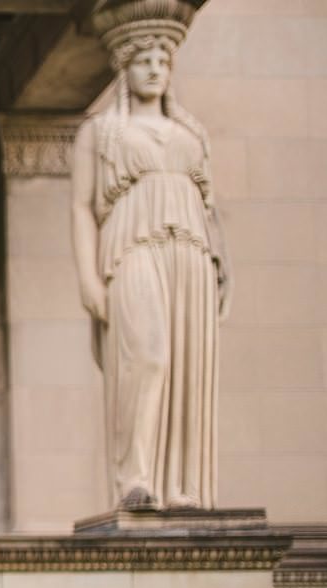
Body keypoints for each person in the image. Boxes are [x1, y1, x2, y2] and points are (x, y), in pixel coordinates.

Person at [71, 2, 228, 511]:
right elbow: (80, 207)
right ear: (124, 66)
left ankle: (184, 488)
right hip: (130, 250)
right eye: (145, 59)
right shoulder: (101, 133)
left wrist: (222, 266)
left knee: (186, 366)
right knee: (149, 355)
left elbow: (211, 209)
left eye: (163, 59)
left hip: (189, 252)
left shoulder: (192, 134)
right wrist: (88, 280)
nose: (155, 68)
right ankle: (132, 480)